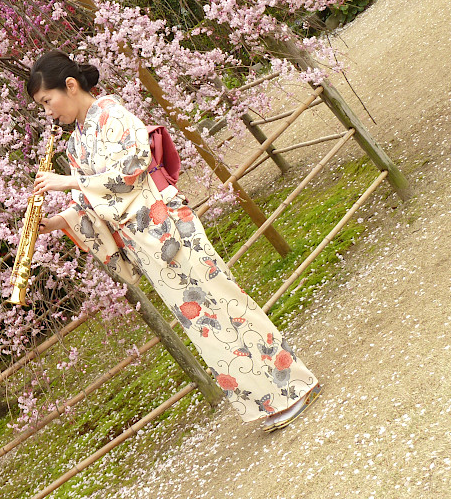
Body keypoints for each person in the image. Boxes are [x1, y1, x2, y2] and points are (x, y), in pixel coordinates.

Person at [28, 50, 321, 431]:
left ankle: (296, 384)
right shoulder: (75, 146)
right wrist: (54, 222)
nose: (49, 113)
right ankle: (266, 403)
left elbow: (131, 169)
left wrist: (71, 181)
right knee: (203, 327)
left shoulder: (113, 114)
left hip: (168, 227)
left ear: (69, 86)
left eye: (47, 102)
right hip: (142, 243)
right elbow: (88, 205)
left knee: (224, 301)